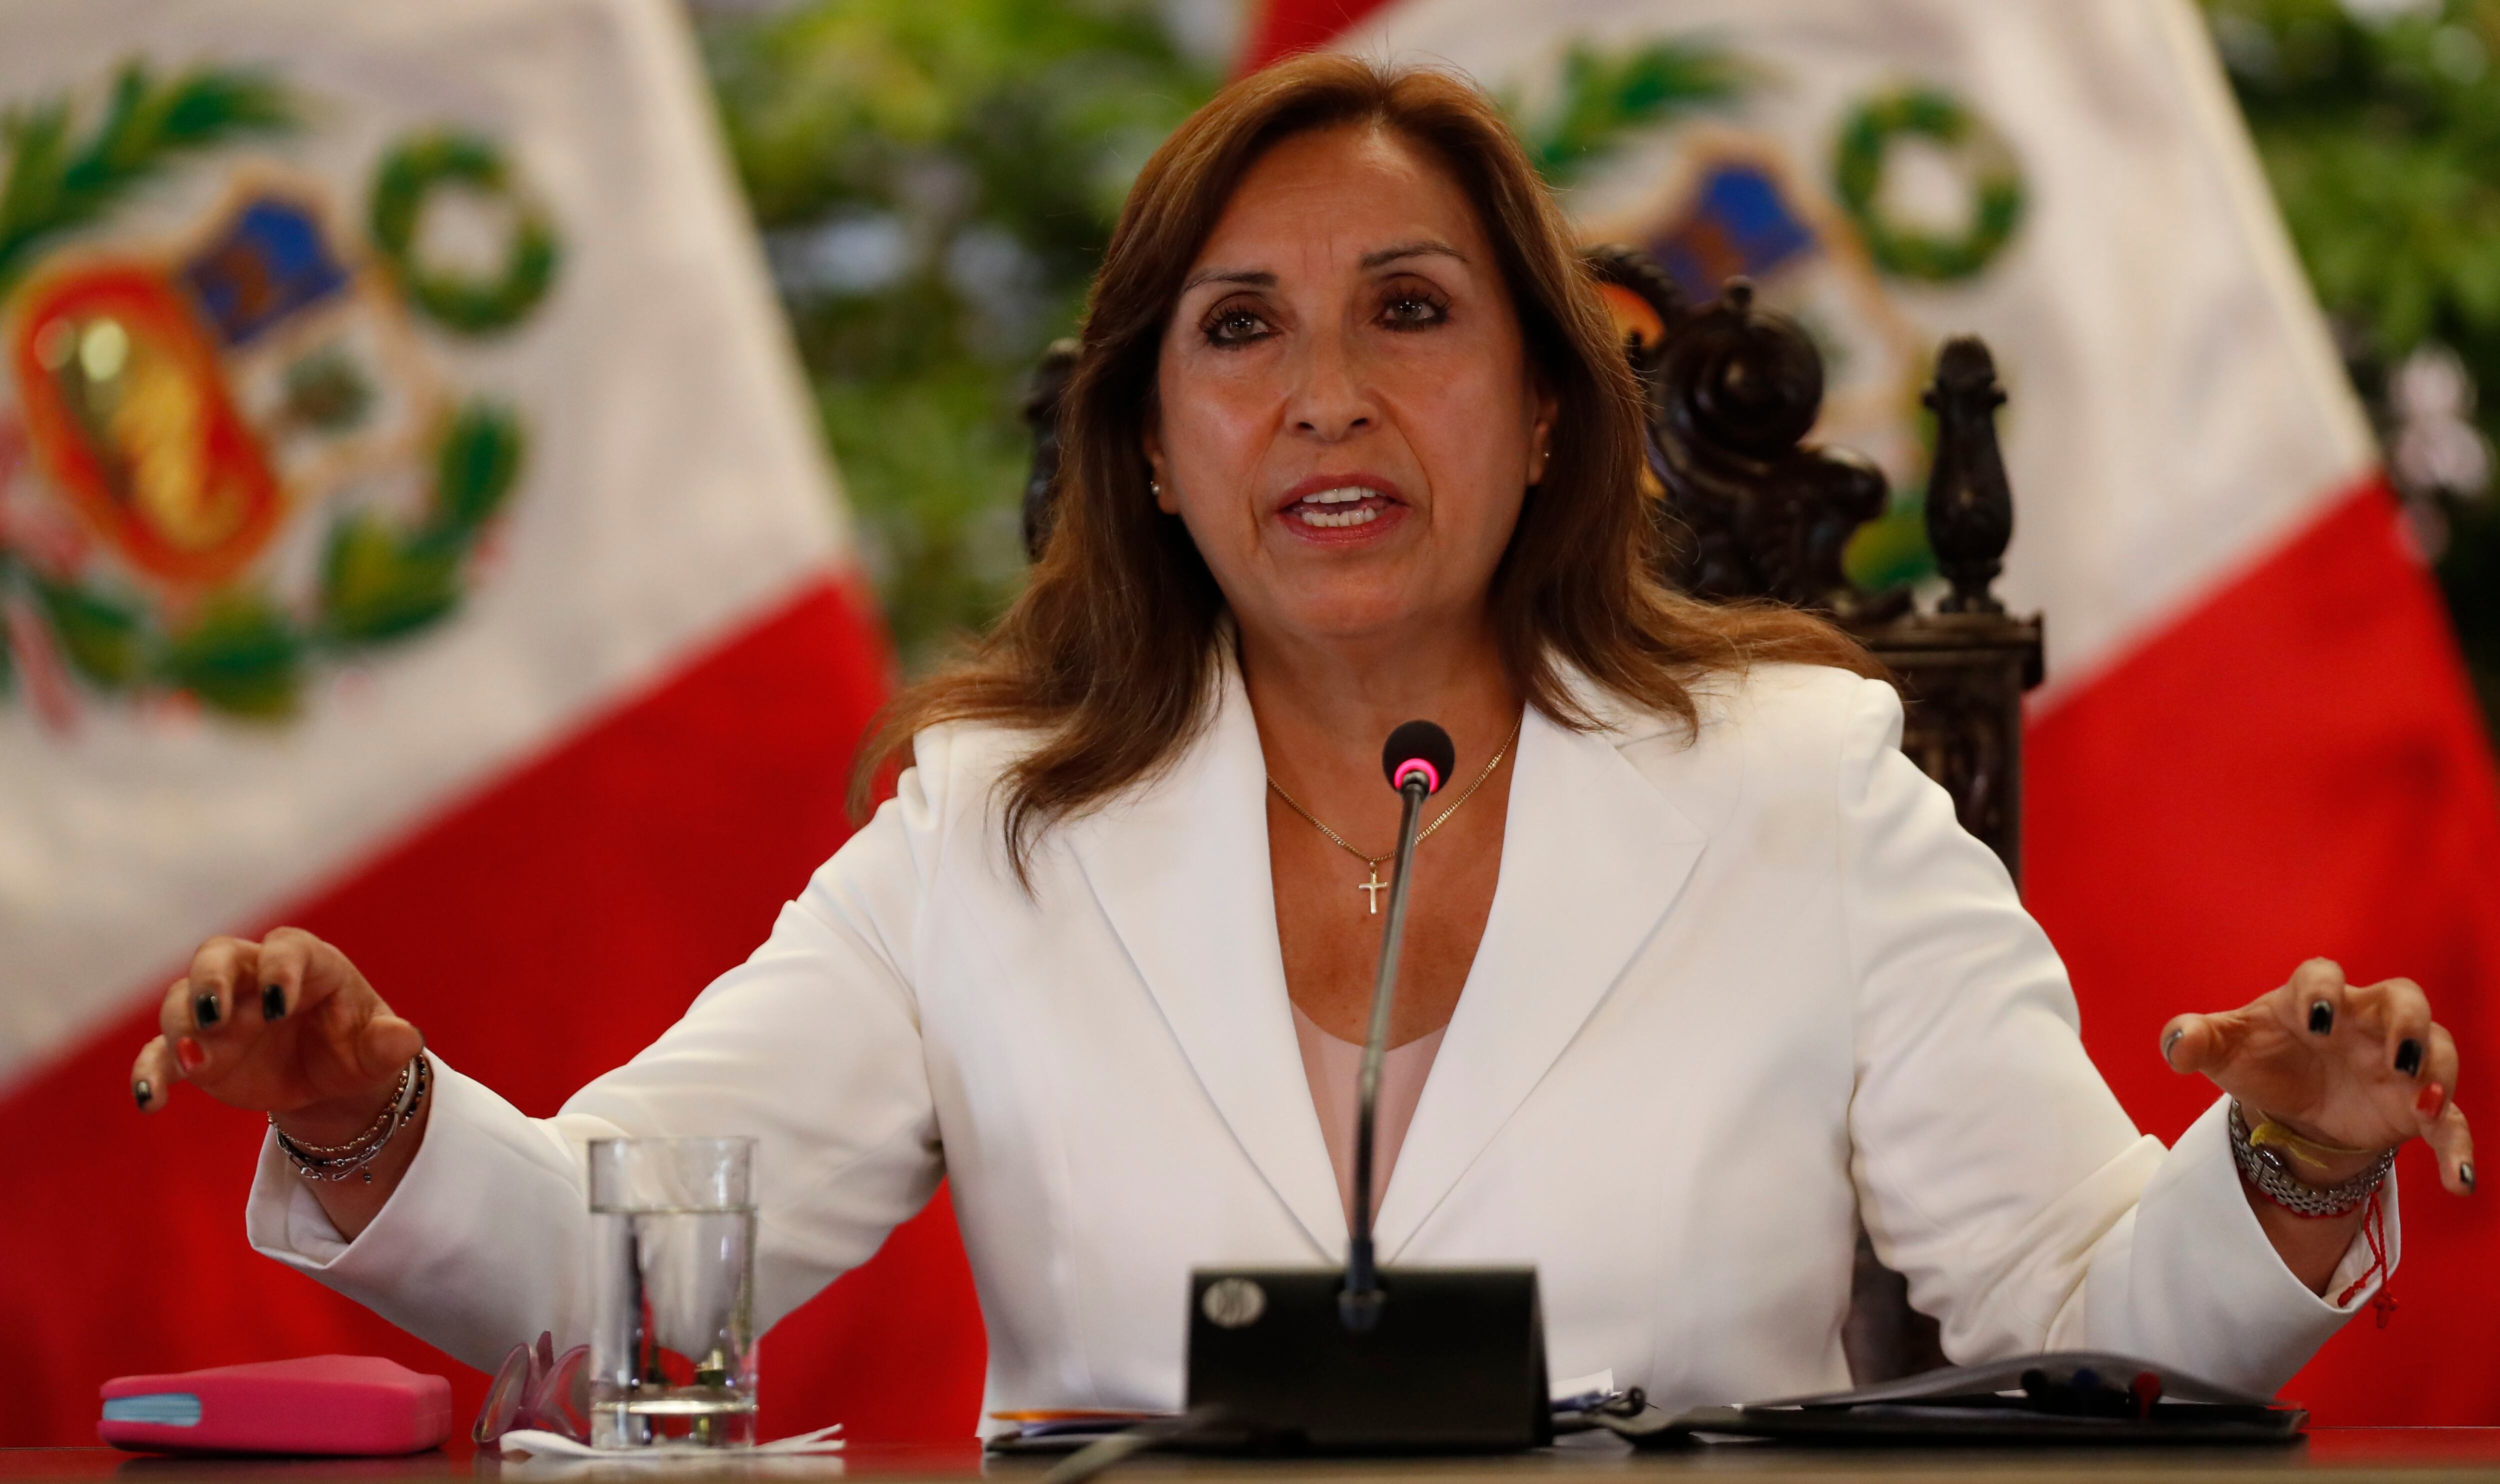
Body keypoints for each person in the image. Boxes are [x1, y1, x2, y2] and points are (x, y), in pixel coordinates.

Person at [134, 54, 2472, 1420]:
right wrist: (369, 1111)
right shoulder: (988, 833)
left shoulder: (1799, 785)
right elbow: (618, 1275)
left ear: (1547, 409)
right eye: (1238, 329)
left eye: (1411, 311)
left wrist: (2276, 1169)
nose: (1327, 392)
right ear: (1150, 442)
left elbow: (2074, 1319)